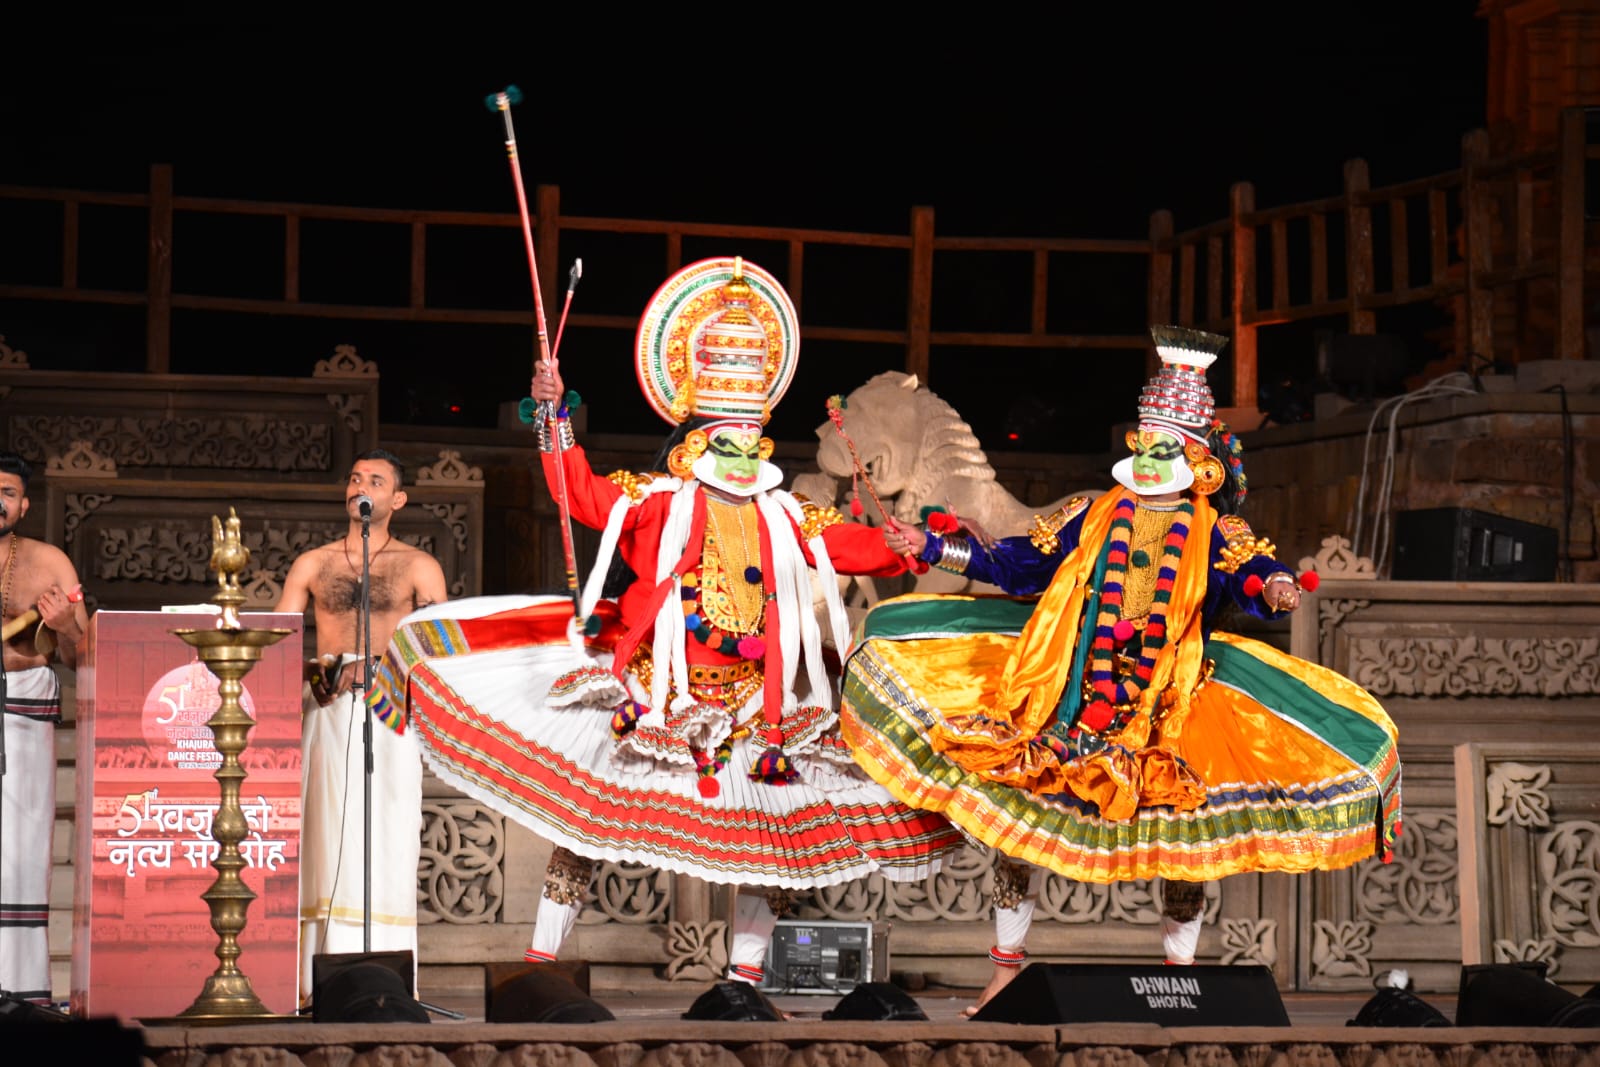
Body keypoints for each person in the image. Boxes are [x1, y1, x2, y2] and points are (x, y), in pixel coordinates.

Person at [374, 257, 961, 991]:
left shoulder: (788, 515)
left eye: (753, 442)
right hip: (657, 697)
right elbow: (580, 493)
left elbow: (860, 545)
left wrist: (916, 541)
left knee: (777, 849)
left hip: (757, 705)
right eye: (728, 442)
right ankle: (539, 972)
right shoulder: (657, 501)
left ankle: (743, 986)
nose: (742, 456)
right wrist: (553, 416)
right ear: (697, 443)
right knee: (583, 831)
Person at [841, 326, 1402, 1013]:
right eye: (1145, 441)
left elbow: (1252, 570)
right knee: (1015, 834)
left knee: (1184, 852)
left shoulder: (1213, 530)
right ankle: (1005, 974)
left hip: (1168, 710)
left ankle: (1181, 981)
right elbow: (1018, 563)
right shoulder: (1091, 514)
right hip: (1068, 697)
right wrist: (934, 547)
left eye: (1165, 446)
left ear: (1196, 460)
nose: (1149, 454)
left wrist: (1277, 586)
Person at [274, 448, 448, 1002]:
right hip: (326, 707)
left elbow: (438, 648)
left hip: (391, 707)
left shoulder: (419, 566)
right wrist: (318, 671)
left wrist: (379, 668)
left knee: (388, 832)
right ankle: (313, 983)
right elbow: (277, 641)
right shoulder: (312, 563)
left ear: (398, 498)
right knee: (325, 834)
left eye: (374, 480)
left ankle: (386, 981)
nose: (359, 487)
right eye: (353, 479)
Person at [0, 452, 88, 1006]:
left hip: (25, 711)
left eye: (7, 492)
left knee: (21, 852)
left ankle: (19, 991)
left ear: (24, 504)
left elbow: (82, 654)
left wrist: (64, 627)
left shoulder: (49, 561)